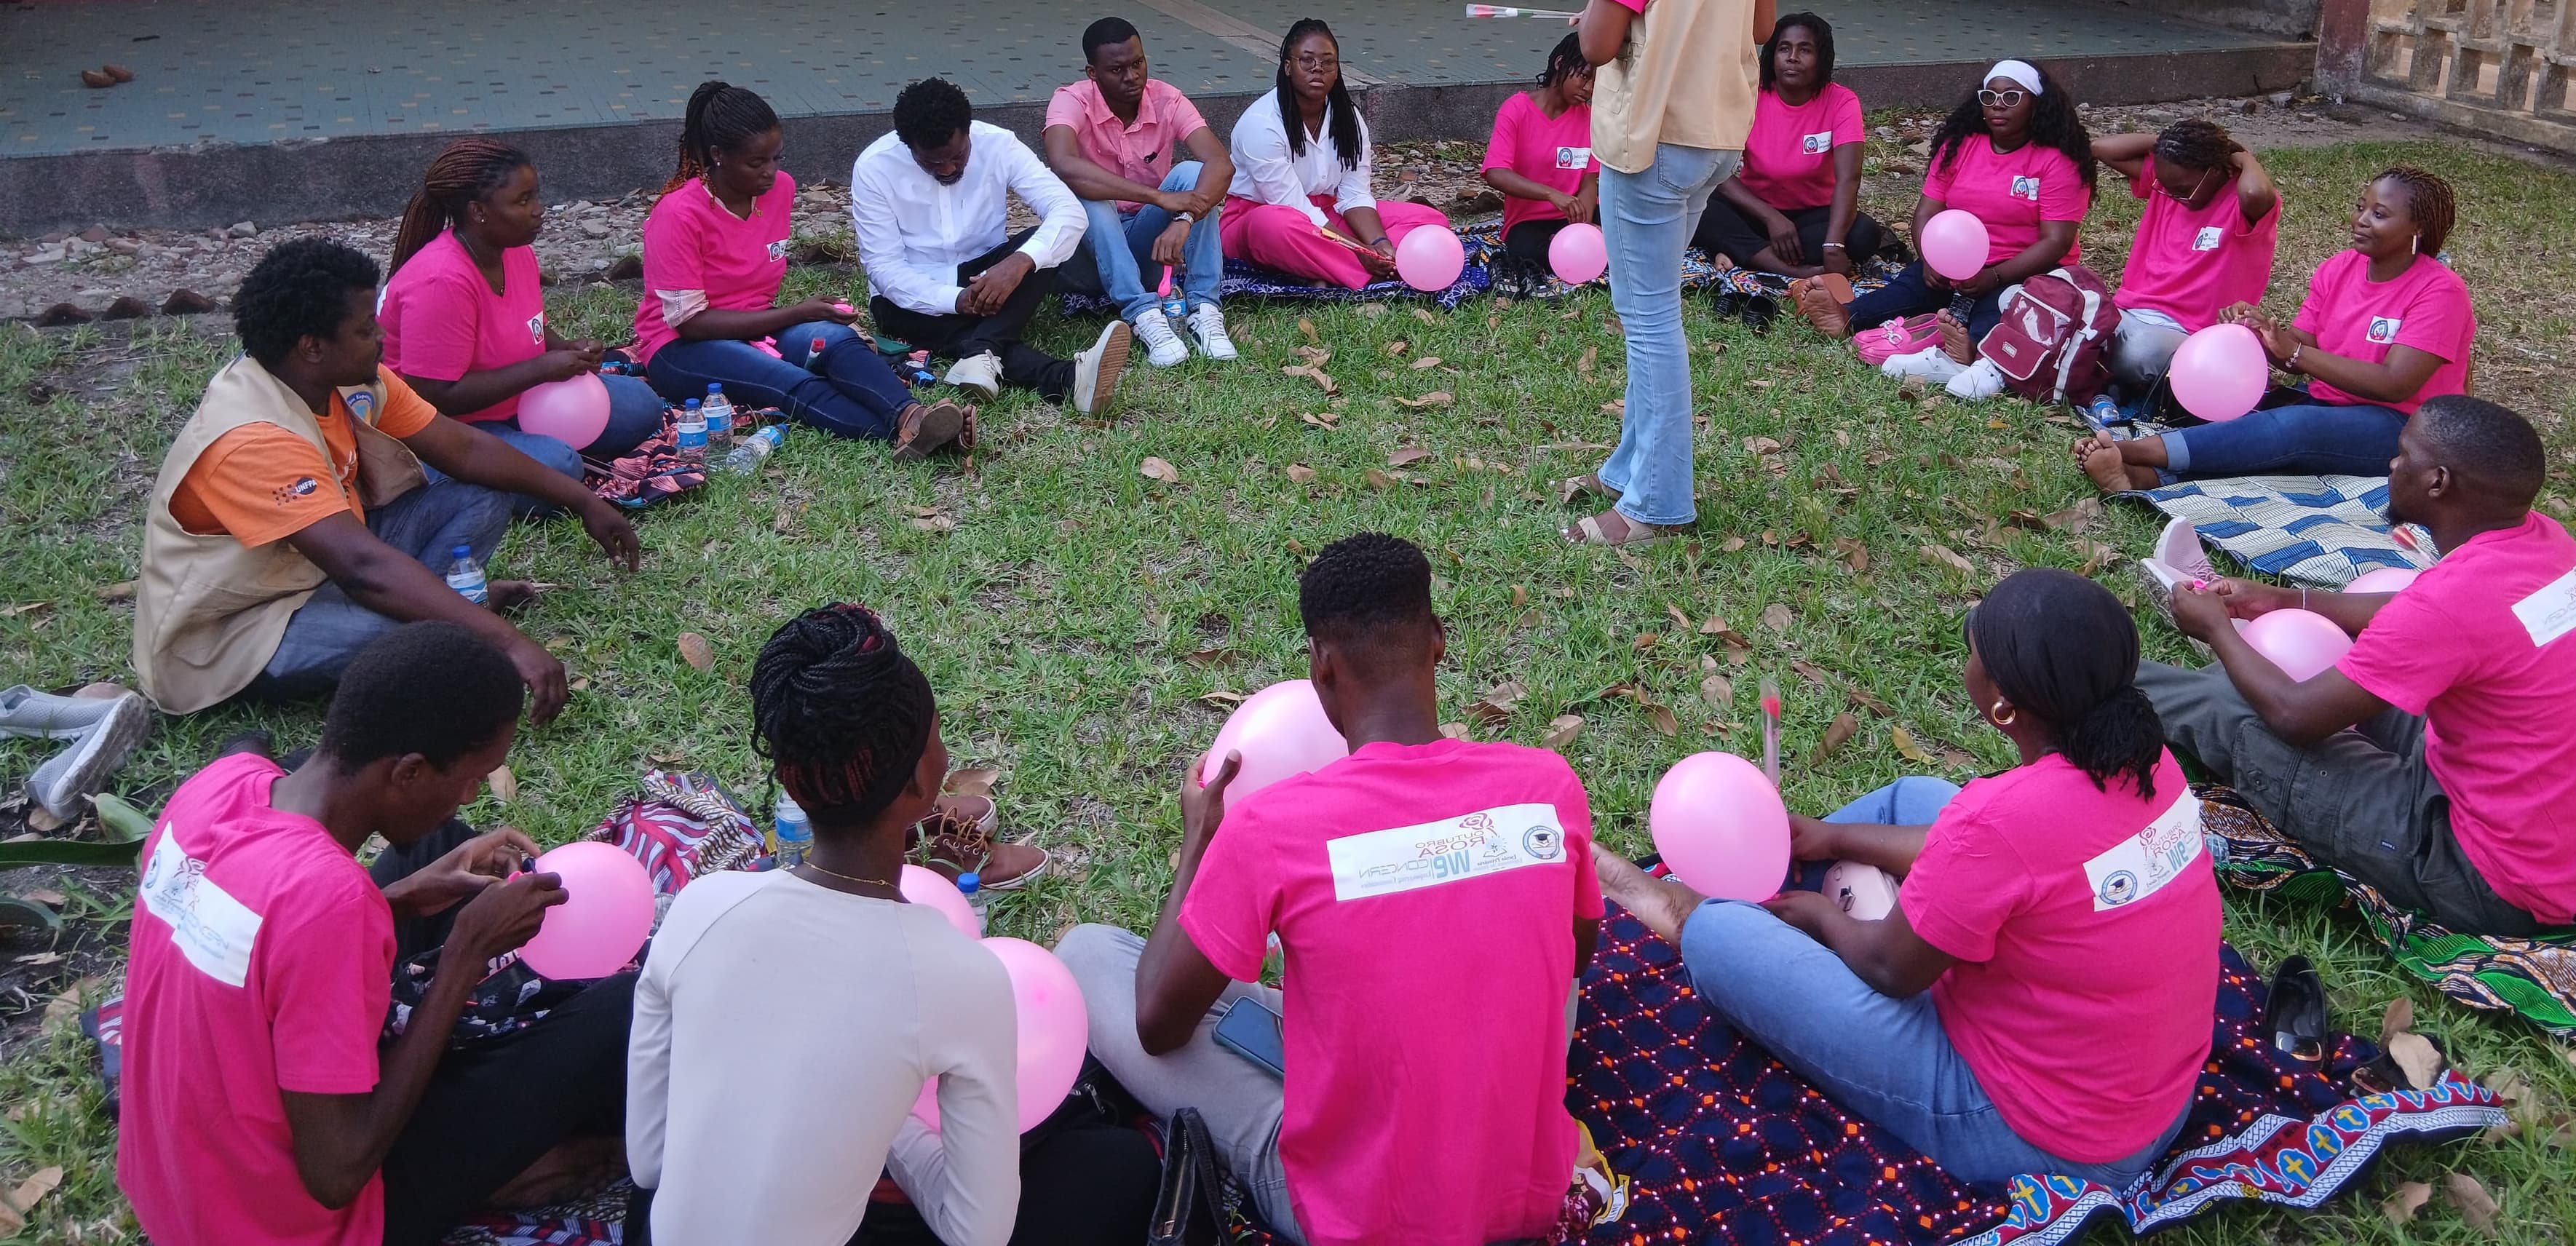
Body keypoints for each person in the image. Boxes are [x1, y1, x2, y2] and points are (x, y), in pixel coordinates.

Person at [1058, 533, 1600, 1246]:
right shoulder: (1546, 786)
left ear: (1322, 668)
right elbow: (1578, 957)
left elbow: (1158, 1026)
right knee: (1529, 942)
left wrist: (1199, 845)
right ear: (1438, 640)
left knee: (1088, 954)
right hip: (1530, 1195)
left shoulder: (1268, 828)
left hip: (1365, 1219)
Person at [1597, 568, 2217, 1190]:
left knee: (1720, 934)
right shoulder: (2147, 761)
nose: (1967, 658)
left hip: (2038, 1133)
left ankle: (1661, 899)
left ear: (2002, 703)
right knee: (1917, 797)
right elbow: (2010, 853)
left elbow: (1889, 969)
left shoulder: (1998, 824)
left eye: (1973, 652)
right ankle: (1782, 869)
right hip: (2152, 1101)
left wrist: (1820, 916)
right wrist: (1834, 837)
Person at [627, 606, 1157, 1246]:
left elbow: (650, 1163)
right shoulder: (959, 976)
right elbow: (976, 1232)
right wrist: (890, 1118)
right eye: (937, 732)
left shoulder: (698, 910)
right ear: (919, 783)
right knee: (1120, 1171)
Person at [118, 622, 635, 1246]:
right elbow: (337, 1172)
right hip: (290, 1223)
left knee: (439, 846)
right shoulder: (329, 902)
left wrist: (404, 898)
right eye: (474, 776)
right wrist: (464, 958)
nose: (475, 793)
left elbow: (263, 942)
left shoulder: (221, 787)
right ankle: (530, 1164)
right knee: (624, 1006)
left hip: (177, 1183)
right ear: (409, 773)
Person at [2143, 396, 2576, 932]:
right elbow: (2418, 615)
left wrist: (2216, 629)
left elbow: (2296, 716)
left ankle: (2104, 670)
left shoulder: (2455, 600)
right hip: (2571, 854)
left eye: (2404, 456)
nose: (2391, 465)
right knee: (2323, 670)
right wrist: (2285, 601)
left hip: (2486, 878)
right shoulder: (2544, 543)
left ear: (2438, 482)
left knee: (2237, 710)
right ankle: (2251, 646)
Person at [135, 238, 640, 719]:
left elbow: (464, 449)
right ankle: (452, 616)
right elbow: (362, 568)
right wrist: (504, 640)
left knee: (482, 494)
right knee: (421, 641)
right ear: (312, 346)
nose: (382, 336)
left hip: (317, 568)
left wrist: (585, 501)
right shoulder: (253, 436)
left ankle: (446, 609)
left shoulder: (351, 378)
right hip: (243, 624)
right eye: (365, 330)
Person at [1566, 0, 1775, 546]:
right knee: (1653, 308)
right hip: (1716, 136)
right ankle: (1631, 466)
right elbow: (1761, 19)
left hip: (1652, 140)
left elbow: (1595, 45)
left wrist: (1597, 14)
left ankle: (1653, 505)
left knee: (1650, 317)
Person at [2074, 166, 2469, 493]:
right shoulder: (2340, 268)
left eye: (2379, 215)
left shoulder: (2440, 291)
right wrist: (2262, 333)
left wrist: (2294, 353)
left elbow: (2395, 383)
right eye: (2360, 207)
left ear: (2418, 228)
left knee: (2294, 429)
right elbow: (2299, 353)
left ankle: (2133, 452)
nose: (2361, 220)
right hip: (2323, 404)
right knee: (2248, 426)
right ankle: (2144, 479)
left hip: (2403, 429)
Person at [638, 82, 968, 456]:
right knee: (789, 379)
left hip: (757, 325)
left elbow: (760, 304)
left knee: (837, 342)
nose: (770, 173)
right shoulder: (678, 214)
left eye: (776, 158)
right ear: (718, 156)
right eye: (756, 163)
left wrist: (796, 318)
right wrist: (796, 313)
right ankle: (918, 436)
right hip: (681, 347)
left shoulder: (780, 190)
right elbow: (690, 323)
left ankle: (912, 414)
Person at [379, 138, 668, 488]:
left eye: (535, 195)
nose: (539, 209)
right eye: (523, 200)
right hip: (450, 430)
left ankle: (526, 457)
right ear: (478, 211)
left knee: (643, 405)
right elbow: (433, 396)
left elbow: (529, 327)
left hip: (519, 403)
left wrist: (566, 350)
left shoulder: (514, 252)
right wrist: (542, 369)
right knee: (560, 465)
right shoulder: (441, 281)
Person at [1795, 60, 2093, 394]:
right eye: (1990, 96)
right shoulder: (1960, 146)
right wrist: (1931, 258)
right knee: (1908, 288)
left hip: (2020, 273)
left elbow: (2057, 241)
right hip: (1953, 266)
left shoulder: (2057, 161)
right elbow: (1925, 213)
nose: (1997, 105)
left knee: (2003, 306)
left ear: (2037, 104)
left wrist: (1994, 277)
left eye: (2012, 97)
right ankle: (1846, 315)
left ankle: (1971, 349)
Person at [852, 76, 1130, 418]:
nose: (949, 168)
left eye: (957, 156)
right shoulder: (874, 166)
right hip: (911, 296)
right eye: (933, 163)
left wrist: (1018, 264)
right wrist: (955, 300)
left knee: (1041, 243)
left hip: (989, 276)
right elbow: (884, 269)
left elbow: (1069, 212)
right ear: (908, 146)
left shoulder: (998, 144)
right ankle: (1066, 377)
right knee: (958, 330)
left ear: (968, 131)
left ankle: (981, 352)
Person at [1041, 17, 1238, 369]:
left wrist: (1185, 218)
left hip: (1150, 244)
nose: (1132, 76)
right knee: (1089, 196)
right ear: (1093, 73)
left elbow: (1221, 164)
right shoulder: (1070, 101)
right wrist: (1159, 198)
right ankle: (1144, 315)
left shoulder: (1167, 99)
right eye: (1117, 69)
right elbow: (1064, 164)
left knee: (1193, 173)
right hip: (1088, 254)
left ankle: (1204, 310)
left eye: (1137, 64)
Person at [1222, 22, 1454, 290]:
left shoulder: (1348, 118)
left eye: (1327, 62)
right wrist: (1360, 251)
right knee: (1275, 226)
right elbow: (1293, 205)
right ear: (1287, 67)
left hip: (1328, 215)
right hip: (1263, 217)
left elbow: (1354, 195)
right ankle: (1379, 272)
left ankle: (1353, 267)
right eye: (1306, 61)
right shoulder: (1261, 123)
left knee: (1430, 221)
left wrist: (1380, 244)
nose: (1317, 68)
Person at [2086, 120, 2280, 408]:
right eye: (2166, 187)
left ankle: (2098, 366)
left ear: (2214, 170)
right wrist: (2169, 145)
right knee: (2065, 300)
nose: (2173, 195)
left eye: (2183, 189)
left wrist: (2240, 155)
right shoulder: (2170, 183)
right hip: (2128, 313)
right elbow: (2102, 149)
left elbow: (2255, 192)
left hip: (2188, 331)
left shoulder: (2243, 204)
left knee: (2135, 355)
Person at [1690, 12, 1882, 283]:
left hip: (1813, 216)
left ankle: (1742, 251)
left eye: (1805, 50)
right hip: (1754, 210)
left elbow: (1849, 179)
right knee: (1699, 204)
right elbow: (1713, 166)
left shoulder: (1841, 101)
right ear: (1772, 56)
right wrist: (1771, 218)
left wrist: (1834, 244)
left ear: (1822, 59)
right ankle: (1787, 268)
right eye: (1784, 48)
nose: (1793, 57)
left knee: (1864, 234)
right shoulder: (1750, 95)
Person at [1480, 33, 1598, 294]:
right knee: (1524, 251)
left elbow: (1590, 183)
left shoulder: (1590, 118)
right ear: (1559, 64)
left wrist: (1581, 228)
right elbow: (1496, 172)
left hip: (1577, 216)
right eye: (1584, 76)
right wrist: (1551, 194)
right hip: (1530, 222)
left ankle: (1591, 247)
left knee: (1632, 232)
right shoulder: (1517, 109)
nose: (1588, 89)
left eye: (1595, 82)